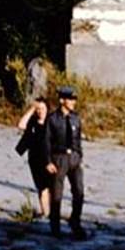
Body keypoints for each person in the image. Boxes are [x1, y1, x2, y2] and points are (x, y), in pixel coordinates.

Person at [44, 86, 86, 240]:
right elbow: (46, 141)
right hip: (59, 157)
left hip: (74, 158)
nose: (73, 102)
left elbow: (78, 138)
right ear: (62, 100)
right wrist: (48, 161)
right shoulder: (53, 119)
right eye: (70, 99)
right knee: (57, 194)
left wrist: (79, 154)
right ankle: (55, 226)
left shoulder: (76, 117)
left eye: (74, 99)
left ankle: (75, 221)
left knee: (79, 191)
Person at [16, 97, 52, 219]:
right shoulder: (33, 122)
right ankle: (45, 212)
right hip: (35, 158)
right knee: (41, 187)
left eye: (43, 109)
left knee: (49, 186)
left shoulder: (51, 122)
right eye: (38, 109)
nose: (40, 111)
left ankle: (49, 212)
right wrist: (31, 109)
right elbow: (21, 125)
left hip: (49, 158)